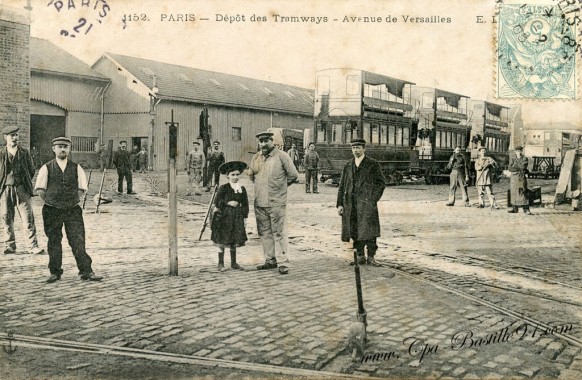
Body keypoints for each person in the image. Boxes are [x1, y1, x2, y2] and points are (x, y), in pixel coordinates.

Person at [35, 137, 103, 283]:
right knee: (54, 240)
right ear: (53, 149)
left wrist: (71, 201)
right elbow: (40, 189)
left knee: (78, 240)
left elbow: (82, 189)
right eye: (59, 147)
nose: (63, 149)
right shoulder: (46, 167)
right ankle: (55, 272)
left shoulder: (76, 167)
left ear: (69, 149)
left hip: (72, 210)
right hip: (52, 210)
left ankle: (86, 271)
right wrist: (52, 202)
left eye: (65, 147)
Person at [248, 131, 298, 273]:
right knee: (264, 233)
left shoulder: (282, 157)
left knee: (279, 232)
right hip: (260, 203)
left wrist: (279, 187)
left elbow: (293, 176)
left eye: (266, 141)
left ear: (272, 141)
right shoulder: (256, 157)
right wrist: (261, 187)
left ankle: (283, 263)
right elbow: (251, 175)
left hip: (276, 202)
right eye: (261, 141)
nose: (263, 144)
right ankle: (270, 260)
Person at [336, 139, 385, 266]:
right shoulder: (348, 165)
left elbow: (381, 183)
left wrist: (372, 199)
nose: (356, 150)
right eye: (353, 148)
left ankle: (371, 257)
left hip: (366, 204)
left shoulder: (372, 164)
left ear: (364, 149)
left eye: (358, 148)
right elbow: (342, 186)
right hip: (351, 204)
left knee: (369, 231)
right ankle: (360, 256)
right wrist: (340, 204)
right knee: (355, 230)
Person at [0, 126, 45, 255]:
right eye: (12, 135)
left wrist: (23, 183)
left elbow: (31, 169)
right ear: (5, 137)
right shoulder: (1, 153)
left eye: (16, 135)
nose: (15, 138)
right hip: (5, 189)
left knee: (28, 217)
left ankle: (32, 246)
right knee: (6, 217)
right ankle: (10, 245)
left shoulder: (24, 152)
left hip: (22, 189)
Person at [210, 161, 249, 272]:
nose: (235, 177)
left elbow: (245, 204)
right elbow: (217, 202)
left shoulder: (242, 189)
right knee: (222, 239)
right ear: (228, 176)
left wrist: (245, 217)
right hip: (224, 217)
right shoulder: (223, 188)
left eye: (237, 174)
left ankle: (233, 263)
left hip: (236, 217)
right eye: (233, 175)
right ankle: (220, 263)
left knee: (234, 238)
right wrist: (228, 203)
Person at [508, 146, 531, 215]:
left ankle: (526, 209)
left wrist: (515, 166)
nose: (519, 152)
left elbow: (523, 167)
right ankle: (514, 208)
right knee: (514, 192)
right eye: (517, 151)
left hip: (521, 177)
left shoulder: (525, 158)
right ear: (515, 152)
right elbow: (510, 168)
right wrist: (518, 167)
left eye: (520, 151)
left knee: (522, 192)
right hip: (514, 179)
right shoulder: (513, 158)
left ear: (522, 151)